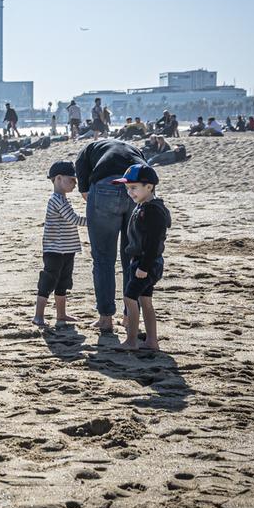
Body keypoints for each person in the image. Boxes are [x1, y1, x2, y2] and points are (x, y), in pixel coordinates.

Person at [75, 137, 144, 332]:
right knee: (132, 257)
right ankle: (130, 316)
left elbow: (81, 166)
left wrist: (86, 191)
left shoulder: (89, 148)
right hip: (137, 187)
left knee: (103, 257)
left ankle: (106, 318)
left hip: (105, 186)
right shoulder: (134, 149)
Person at [113, 164, 171, 351]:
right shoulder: (143, 206)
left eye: (134, 188)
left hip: (147, 263)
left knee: (130, 298)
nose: (130, 192)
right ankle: (151, 341)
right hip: (142, 262)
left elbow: (153, 243)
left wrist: (144, 267)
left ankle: (131, 340)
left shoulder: (152, 210)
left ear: (149, 186)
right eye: (127, 188)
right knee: (145, 301)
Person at [34, 161, 86, 328]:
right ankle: (38, 316)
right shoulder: (56, 199)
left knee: (63, 282)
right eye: (71, 180)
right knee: (48, 281)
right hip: (54, 250)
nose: (74, 184)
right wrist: (94, 220)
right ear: (58, 178)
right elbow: (73, 219)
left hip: (67, 249)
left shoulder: (63, 199)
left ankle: (61, 315)